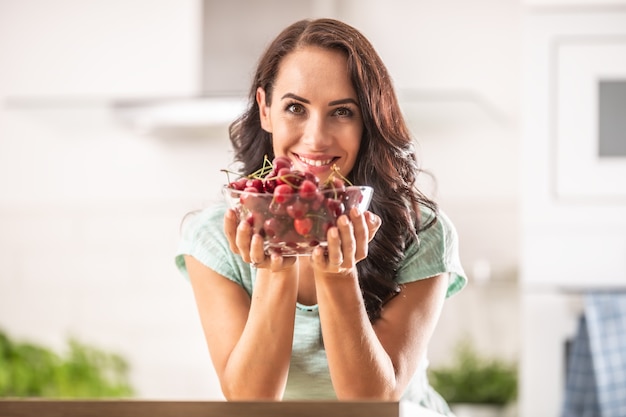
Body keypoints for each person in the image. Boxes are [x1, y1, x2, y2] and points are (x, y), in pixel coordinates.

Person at [175, 18, 467, 416]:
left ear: (368, 120)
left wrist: (337, 274)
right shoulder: (213, 238)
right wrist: (276, 269)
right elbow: (250, 401)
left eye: (342, 112)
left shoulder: (422, 233)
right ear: (264, 109)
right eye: (295, 107)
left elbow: (374, 402)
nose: (316, 137)